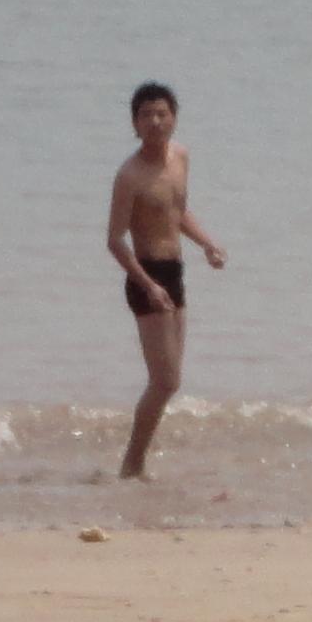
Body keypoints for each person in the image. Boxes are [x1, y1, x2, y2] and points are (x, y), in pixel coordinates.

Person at [105, 81, 227, 481]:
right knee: (166, 380)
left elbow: (177, 212)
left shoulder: (181, 158)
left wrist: (207, 243)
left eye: (162, 114)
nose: (155, 122)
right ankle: (132, 464)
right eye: (146, 115)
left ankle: (135, 463)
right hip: (147, 277)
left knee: (169, 381)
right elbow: (115, 240)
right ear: (134, 124)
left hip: (175, 273)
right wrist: (147, 284)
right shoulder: (130, 175)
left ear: (173, 118)